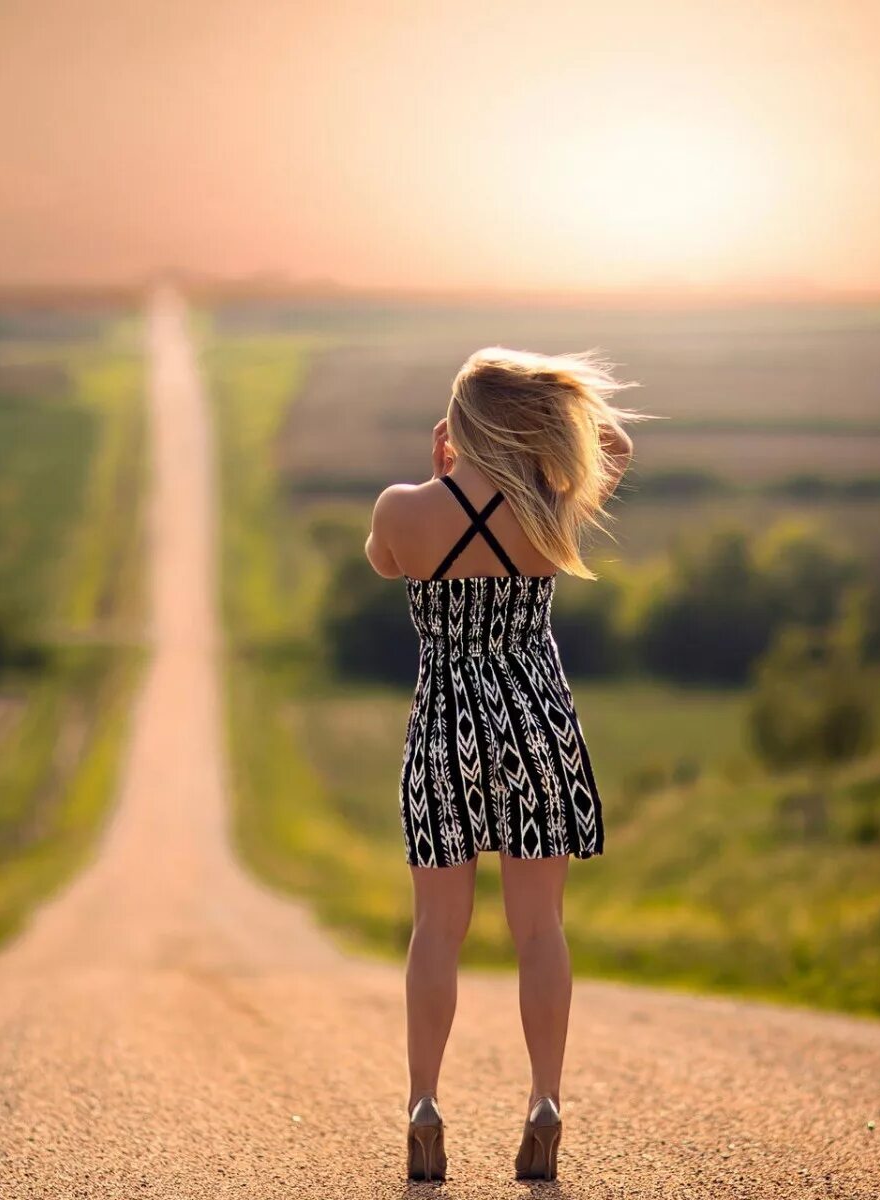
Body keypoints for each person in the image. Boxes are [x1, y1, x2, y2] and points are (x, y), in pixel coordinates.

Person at [363, 347, 647, 1183]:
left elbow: (384, 562)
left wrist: (442, 470)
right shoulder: (549, 505)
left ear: (456, 430)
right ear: (524, 424)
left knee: (437, 931)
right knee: (539, 929)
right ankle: (544, 1102)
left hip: (447, 730)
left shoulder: (402, 508)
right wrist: (547, 442)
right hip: (536, 726)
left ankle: (423, 1104)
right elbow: (616, 448)